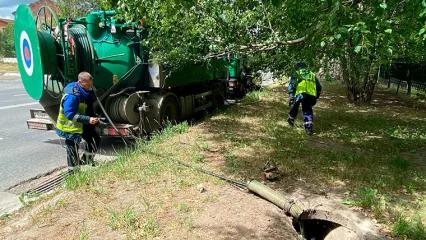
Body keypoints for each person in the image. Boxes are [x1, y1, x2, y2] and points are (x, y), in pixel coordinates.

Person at [56, 72, 100, 172]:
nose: (90, 87)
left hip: (82, 124)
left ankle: (86, 160)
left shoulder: (85, 91)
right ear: (80, 82)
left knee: (94, 139)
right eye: (87, 84)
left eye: (91, 84)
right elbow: (70, 114)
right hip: (70, 127)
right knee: (72, 149)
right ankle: (73, 173)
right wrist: (88, 119)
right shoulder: (72, 96)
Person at [287, 62, 322, 135]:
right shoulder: (312, 74)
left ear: (297, 67)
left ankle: (291, 118)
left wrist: (291, 97)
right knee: (307, 110)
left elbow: (292, 85)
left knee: (295, 106)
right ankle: (308, 129)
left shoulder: (296, 73)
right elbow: (319, 86)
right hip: (310, 95)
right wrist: (317, 95)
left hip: (300, 94)